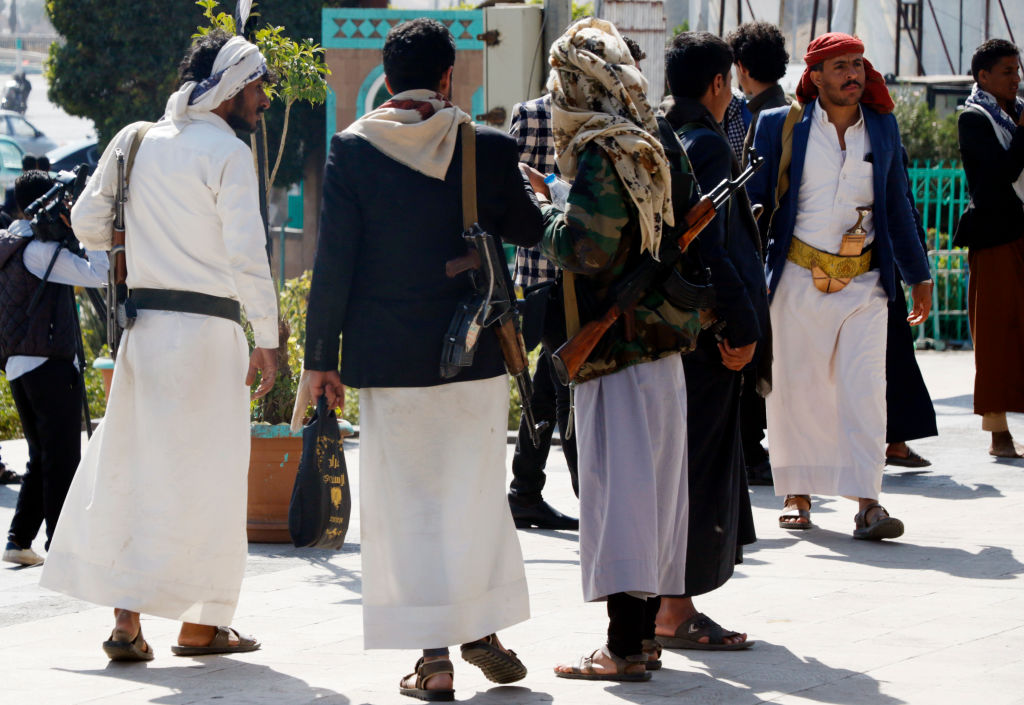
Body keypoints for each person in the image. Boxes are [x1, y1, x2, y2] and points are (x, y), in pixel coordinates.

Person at [304, 18, 538, 701]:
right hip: (474, 355)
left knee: (407, 506)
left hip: (388, 362)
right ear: (448, 77)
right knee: (474, 497)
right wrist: (532, 187)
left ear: (387, 78)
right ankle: (482, 629)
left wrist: (320, 359)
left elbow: (333, 263)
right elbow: (528, 230)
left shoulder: (353, 149)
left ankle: (433, 660)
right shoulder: (487, 147)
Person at [39, 30, 279, 661]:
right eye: (258, 87)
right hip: (210, 339)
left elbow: (88, 223)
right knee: (209, 482)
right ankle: (201, 627)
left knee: (135, 474)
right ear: (230, 86)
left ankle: (127, 622)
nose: (264, 101)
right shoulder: (228, 154)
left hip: (144, 335)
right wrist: (269, 337)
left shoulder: (135, 140)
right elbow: (247, 254)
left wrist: (142, 236)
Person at [537, 18, 698, 682]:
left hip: (613, 348)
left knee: (619, 497)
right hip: (661, 345)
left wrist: (548, 215)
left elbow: (589, 246)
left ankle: (623, 647)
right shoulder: (658, 139)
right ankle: (645, 636)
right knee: (655, 496)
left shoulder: (604, 151)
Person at [748, 32, 932, 540]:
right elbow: (753, 205)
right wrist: (745, 279)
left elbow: (898, 204)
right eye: (840, 66)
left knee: (866, 391)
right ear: (815, 76)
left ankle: (869, 503)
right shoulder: (780, 124)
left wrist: (918, 274)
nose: (853, 74)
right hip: (796, 280)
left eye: (857, 64)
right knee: (796, 390)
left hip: (864, 284)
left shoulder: (883, 126)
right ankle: (798, 493)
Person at [505, 34, 647, 531]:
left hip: (569, 274)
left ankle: (530, 490)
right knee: (563, 384)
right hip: (555, 272)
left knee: (554, 383)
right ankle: (580, 498)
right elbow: (515, 188)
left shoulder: (607, 120)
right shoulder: (550, 117)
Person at [652, 31, 764, 652]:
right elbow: (714, 249)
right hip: (710, 336)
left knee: (677, 466)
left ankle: (663, 604)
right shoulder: (709, 144)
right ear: (719, 83)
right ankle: (676, 609)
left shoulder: (664, 136)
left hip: (673, 331)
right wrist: (743, 328)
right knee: (698, 469)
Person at [0, 171, 107, 567]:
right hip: (49, 363)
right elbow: (100, 275)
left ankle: (19, 539)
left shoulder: (10, 243)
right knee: (61, 457)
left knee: (42, 456)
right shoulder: (39, 251)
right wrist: (89, 232)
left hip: (19, 364)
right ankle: (63, 545)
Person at [727, 20, 791, 486]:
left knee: (751, 352)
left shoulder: (754, 118)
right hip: (791, 254)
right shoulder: (796, 112)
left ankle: (751, 449)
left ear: (741, 68)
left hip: (761, 250)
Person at [954, 38, 1024, 458]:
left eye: (1017, 71)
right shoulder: (974, 118)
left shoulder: (1015, 113)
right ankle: (999, 434)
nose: (1016, 79)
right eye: (1007, 72)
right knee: (996, 334)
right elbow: (999, 175)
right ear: (983, 76)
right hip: (996, 236)